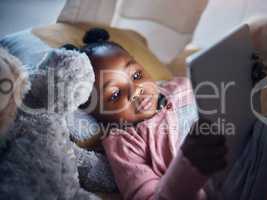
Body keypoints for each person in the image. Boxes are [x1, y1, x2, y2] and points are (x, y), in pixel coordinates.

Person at [66, 28, 227, 200]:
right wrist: (187, 165)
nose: (136, 90)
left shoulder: (182, 85)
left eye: (136, 75)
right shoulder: (126, 144)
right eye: (115, 94)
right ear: (99, 116)